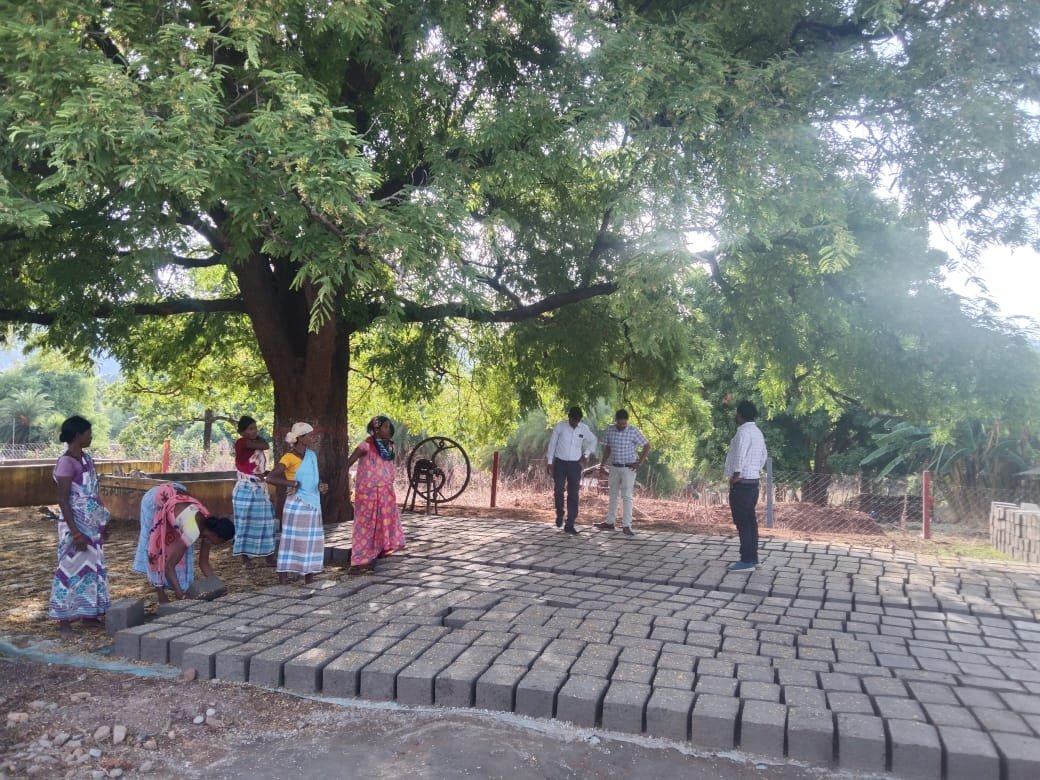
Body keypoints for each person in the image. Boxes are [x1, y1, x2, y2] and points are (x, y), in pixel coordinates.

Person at [48, 416, 110, 636]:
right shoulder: (66, 462)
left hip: (92, 525)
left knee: (92, 568)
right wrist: (75, 533)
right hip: (75, 526)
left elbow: (94, 493)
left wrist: (103, 522)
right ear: (77, 435)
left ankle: (89, 614)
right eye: (87, 433)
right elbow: (63, 500)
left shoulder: (86, 459)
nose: (91, 436)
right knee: (69, 570)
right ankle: (64, 621)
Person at [132, 483, 236, 602]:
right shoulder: (192, 530)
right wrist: (180, 594)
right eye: (221, 542)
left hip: (176, 501)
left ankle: (178, 586)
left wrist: (218, 586)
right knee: (156, 548)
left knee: (181, 551)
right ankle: (161, 593)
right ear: (217, 535)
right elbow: (169, 566)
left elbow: (203, 562)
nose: (219, 544)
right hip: (155, 500)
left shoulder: (209, 527)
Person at [265, 422, 329, 584]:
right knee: (291, 539)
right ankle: (283, 577)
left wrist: (321, 486)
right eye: (309, 435)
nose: (313, 438)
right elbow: (271, 477)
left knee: (310, 540)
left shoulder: (312, 456)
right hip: (297, 504)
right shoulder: (289, 457)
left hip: (313, 504)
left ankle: (309, 575)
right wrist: (291, 483)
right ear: (300, 438)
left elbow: (315, 478)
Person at [345, 415, 406, 575]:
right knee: (365, 525)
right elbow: (348, 462)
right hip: (368, 493)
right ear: (376, 429)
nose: (388, 430)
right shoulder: (365, 445)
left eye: (389, 427)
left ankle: (379, 551)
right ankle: (359, 560)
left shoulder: (390, 447)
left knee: (382, 522)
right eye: (385, 427)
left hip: (385, 492)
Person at [724, 400, 768, 571]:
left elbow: (740, 454)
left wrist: (737, 474)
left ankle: (746, 561)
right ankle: (753, 558)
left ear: (740, 414)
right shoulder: (757, 432)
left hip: (741, 483)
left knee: (742, 521)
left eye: (737, 413)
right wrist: (755, 469)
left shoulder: (743, 433)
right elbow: (764, 455)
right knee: (750, 521)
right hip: (753, 481)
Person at [595, 409, 651, 536]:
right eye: (619, 423)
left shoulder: (633, 430)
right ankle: (610, 522)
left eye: (624, 424)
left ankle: (626, 525)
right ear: (615, 421)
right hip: (614, 467)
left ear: (627, 422)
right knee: (613, 494)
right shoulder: (610, 429)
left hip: (628, 468)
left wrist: (639, 463)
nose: (621, 426)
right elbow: (607, 448)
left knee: (626, 496)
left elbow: (647, 446)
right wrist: (602, 464)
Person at [231, 415, 276, 568]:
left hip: (259, 488)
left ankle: (269, 555)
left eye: (255, 428)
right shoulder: (241, 443)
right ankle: (245, 558)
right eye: (250, 429)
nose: (254, 431)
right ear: (242, 432)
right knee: (244, 522)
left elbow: (264, 445)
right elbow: (265, 445)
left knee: (266, 522)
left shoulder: (254, 444)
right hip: (246, 489)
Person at [546, 406, 597, 535]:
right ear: (569, 418)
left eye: (577, 421)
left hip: (575, 465)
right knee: (558, 490)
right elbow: (552, 444)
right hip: (560, 463)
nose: (575, 423)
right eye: (573, 420)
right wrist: (550, 462)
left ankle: (570, 523)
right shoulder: (560, 427)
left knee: (573, 493)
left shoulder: (584, 428)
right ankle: (560, 513)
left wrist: (586, 455)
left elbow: (593, 440)